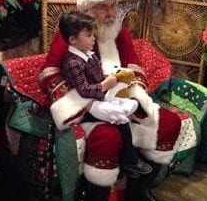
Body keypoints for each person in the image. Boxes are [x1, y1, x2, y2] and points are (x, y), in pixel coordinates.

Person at [39, 0, 185, 201]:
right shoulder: (71, 37)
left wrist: (134, 95)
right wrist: (89, 102)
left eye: (113, 6)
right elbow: (48, 74)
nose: (110, 14)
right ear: (87, 12)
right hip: (86, 105)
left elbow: (135, 69)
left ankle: (138, 191)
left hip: (118, 100)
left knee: (168, 122)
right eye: (102, 8)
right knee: (107, 137)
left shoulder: (122, 35)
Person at [58, 10, 153, 176]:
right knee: (121, 119)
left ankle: (130, 156)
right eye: (88, 36)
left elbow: (98, 76)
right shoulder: (73, 62)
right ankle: (130, 160)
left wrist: (113, 78)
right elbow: (84, 90)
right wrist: (104, 85)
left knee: (129, 103)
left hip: (100, 97)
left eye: (93, 35)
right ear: (73, 40)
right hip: (85, 106)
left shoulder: (90, 55)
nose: (94, 39)